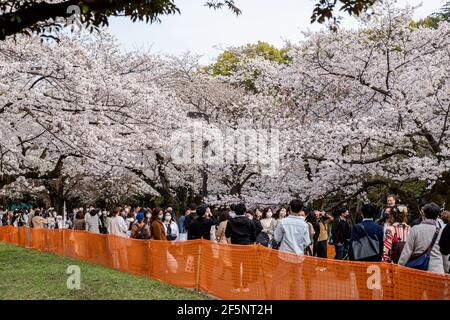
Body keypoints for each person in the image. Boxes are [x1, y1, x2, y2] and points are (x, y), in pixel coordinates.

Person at [271, 199, 311, 299]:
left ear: (290, 208)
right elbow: (307, 242)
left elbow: (276, 238)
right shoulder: (305, 225)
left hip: (284, 255)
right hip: (298, 257)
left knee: (276, 279)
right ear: (301, 209)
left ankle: (271, 298)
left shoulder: (283, 222)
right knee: (297, 281)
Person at [398, 203, 445, 274]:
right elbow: (445, 254)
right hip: (437, 271)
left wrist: (399, 268)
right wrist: (446, 269)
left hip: (418, 270)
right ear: (437, 216)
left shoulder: (415, 229)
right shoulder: (441, 232)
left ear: (424, 214)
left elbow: (407, 252)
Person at [225, 203, 256, 293]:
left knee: (235, 267)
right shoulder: (250, 222)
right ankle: (245, 286)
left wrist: (230, 244)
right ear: (245, 211)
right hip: (247, 246)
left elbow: (227, 235)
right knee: (247, 267)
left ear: (235, 211)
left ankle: (236, 287)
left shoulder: (230, 221)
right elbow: (254, 236)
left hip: (235, 246)